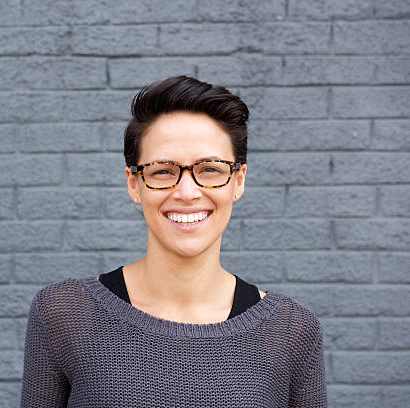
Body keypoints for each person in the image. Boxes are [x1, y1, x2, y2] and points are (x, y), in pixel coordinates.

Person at [20, 75, 327, 407]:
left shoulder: (290, 331)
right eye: (163, 171)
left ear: (238, 181)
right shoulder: (65, 314)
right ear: (134, 184)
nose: (186, 192)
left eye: (210, 169)